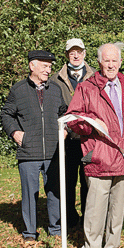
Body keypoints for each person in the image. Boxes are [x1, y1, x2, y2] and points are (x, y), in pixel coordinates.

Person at [66, 43, 124, 248]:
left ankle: (112, 245)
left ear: (120, 62)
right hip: (99, 155)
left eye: (114, 61)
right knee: (95, 205)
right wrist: (91, 123)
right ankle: (92, 247)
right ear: (99, 62)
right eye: (107, 61)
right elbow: (73, 119)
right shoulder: (86, 87)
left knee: (118, 205)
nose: (111, 65)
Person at [1, 50, 65, 242]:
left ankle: (56, 229)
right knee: (29, 194)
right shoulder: (18, 90)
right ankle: (30, 232)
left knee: (55, 192)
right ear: (32, 66)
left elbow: (64, 112)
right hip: (29, 151)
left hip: (53, 151)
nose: (49, 70)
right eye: (45, 66)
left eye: (50, 66)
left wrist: (66, 129)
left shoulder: (55, 89)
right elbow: (6, 114)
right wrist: (15, 133)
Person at [53, 38, 97, 228]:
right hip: (66, 140)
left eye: (79, 51)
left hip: (89, 139)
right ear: (67, 55)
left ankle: (87, 220)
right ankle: (69, 220)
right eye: (72, 52)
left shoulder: (96, 76)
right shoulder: (55, 79)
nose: (76, 55)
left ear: (85, 53)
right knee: (67, 182)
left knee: (88, 182)